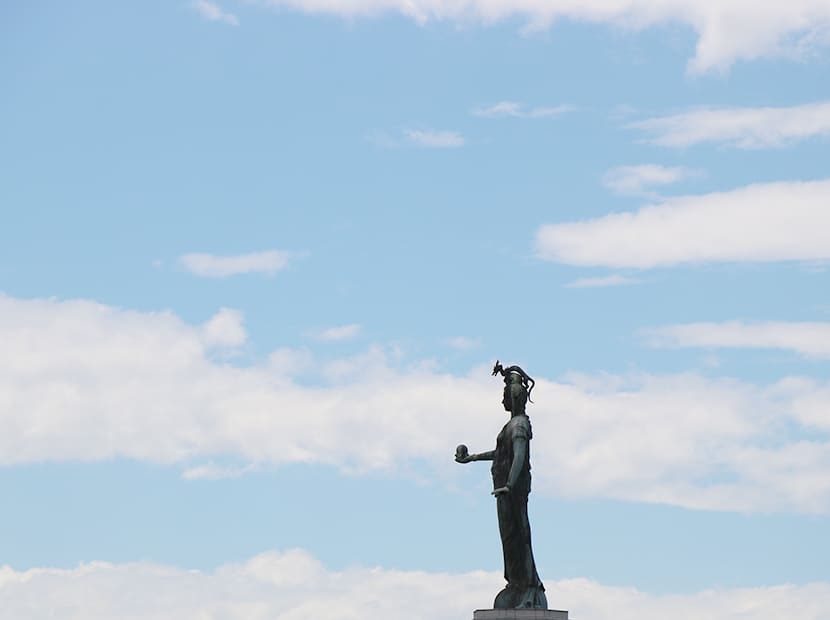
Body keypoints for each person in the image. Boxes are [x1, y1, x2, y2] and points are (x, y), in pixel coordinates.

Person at [455, 361, 547, 610]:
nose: (502, 400)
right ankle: (516, 582)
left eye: (505, 395)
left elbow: (518, 456)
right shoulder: (510, 426)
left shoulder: (519, 426)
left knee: (519, 535)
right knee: (509, 537)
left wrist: (509, 484)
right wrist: (471, 457)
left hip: (512, 491)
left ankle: (529, 586)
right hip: (504, 491)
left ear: (514, 396)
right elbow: (500, 453)